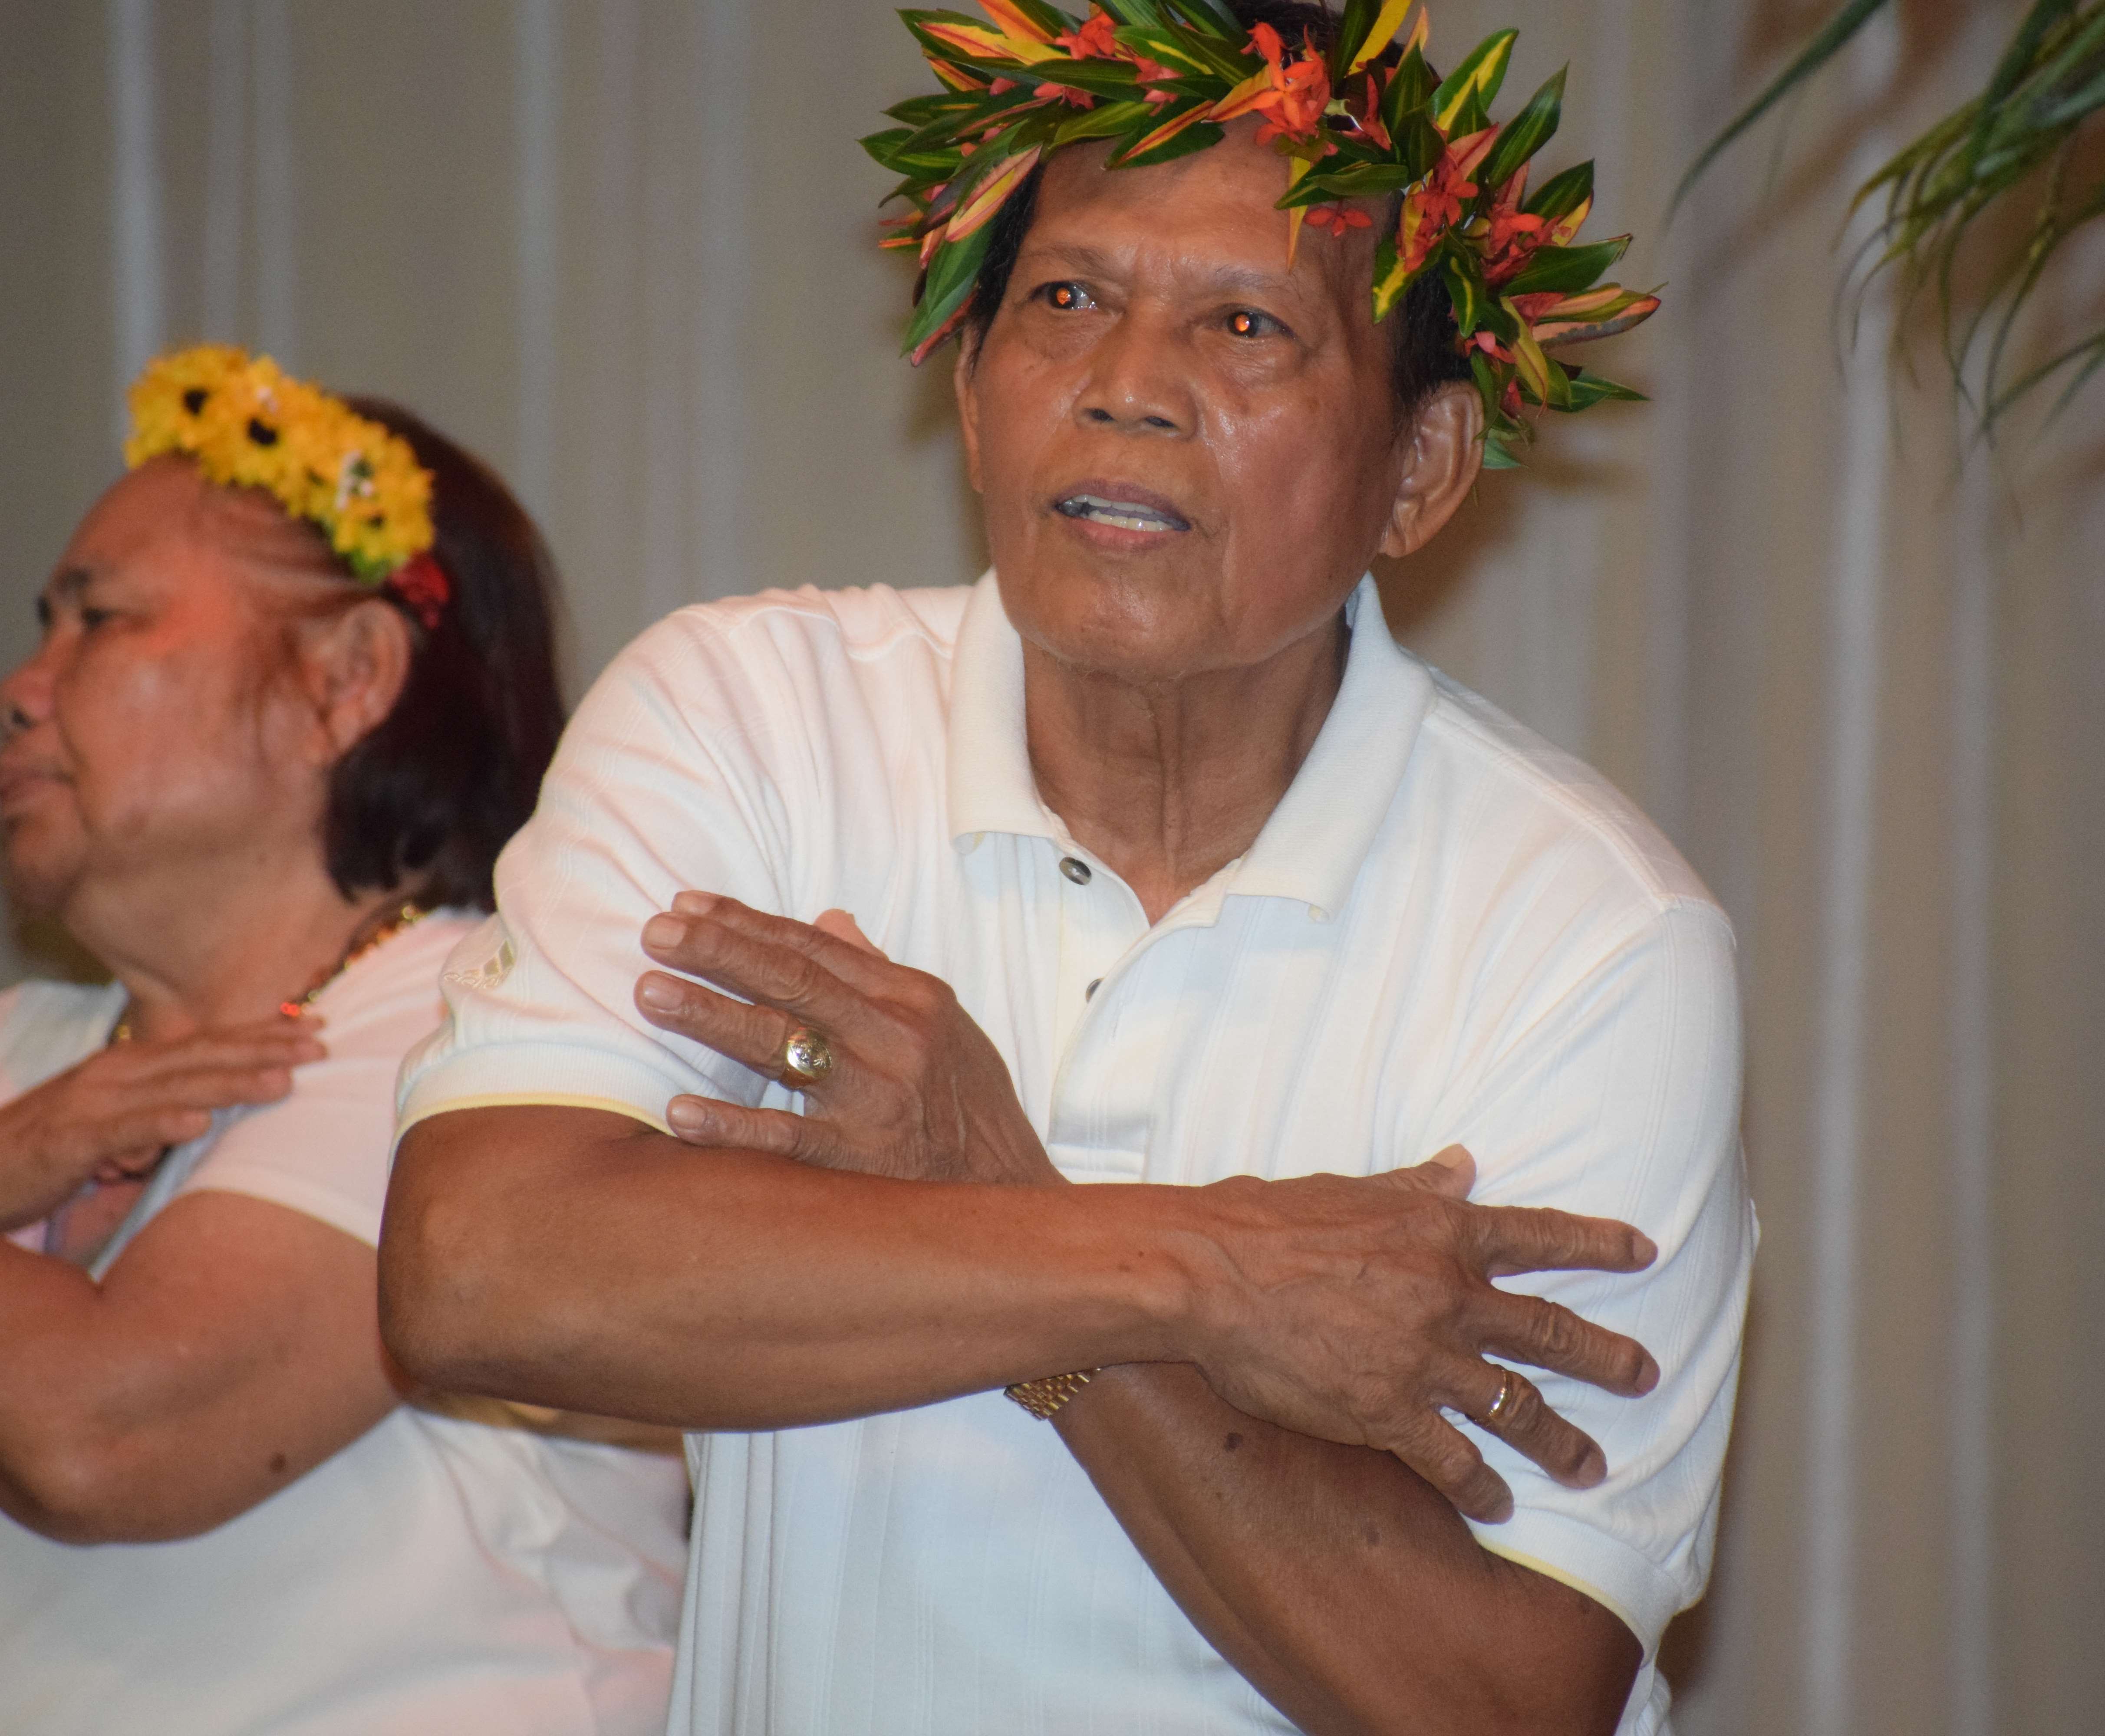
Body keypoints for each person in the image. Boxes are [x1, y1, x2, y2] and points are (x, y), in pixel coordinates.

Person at [382, 4, 1749, 1733]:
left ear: (1422, 469)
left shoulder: (1587, 933)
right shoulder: (748, 721)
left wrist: (982, 1198)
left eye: (1244, 325)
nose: (1126, 382)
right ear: (970, 397)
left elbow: (1500, 1695)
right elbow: (473, 1277)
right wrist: (1179, 1266)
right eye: (1066, 301)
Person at [0, 347, 686, 1736]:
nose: (19, 689)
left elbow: (101, 1436)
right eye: (42, 625)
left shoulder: (485, 1027)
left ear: (346, 683)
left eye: (99, 622)